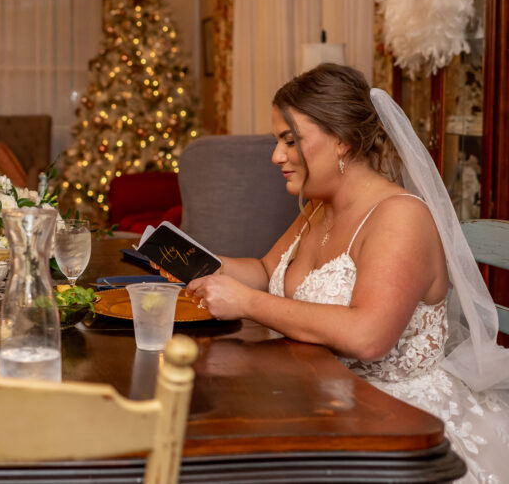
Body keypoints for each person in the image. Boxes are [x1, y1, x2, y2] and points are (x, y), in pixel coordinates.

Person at [181, 64, 509, 483]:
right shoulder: (320, 204)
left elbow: (368, 336)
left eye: (290, 140)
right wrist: (188, 260)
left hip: (396, 419)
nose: (276, 156)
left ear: (342, 141)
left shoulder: (400, 217)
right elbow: (267, 270)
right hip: (323, 394)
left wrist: (246, 304)